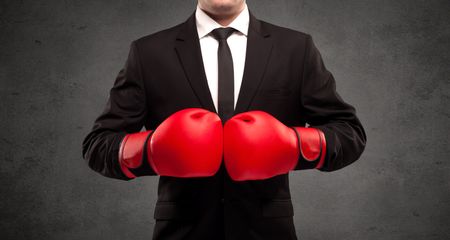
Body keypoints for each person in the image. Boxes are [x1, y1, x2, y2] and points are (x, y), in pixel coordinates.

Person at [82, 0, 367, 239]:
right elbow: (98, 144)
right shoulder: (148, 52)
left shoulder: (295, 48)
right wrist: (152, 150)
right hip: (181, 232)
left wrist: (294, 146)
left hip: (268, 232)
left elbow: (349, 133)